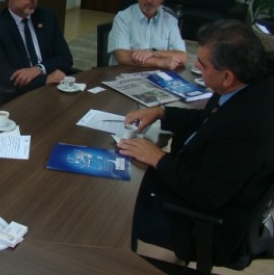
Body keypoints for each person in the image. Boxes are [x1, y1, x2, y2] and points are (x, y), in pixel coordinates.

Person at [117, 20, 274, 264]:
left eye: (202, 65)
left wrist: (158, 157)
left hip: (201, 223)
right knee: (124, 180)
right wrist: (162, 113)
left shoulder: (246, 127)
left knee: (115, 213)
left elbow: (205, 194)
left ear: (227, 76)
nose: (196, 67)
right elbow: (206, 118)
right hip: (192, 184)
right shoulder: (247, 85)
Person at [0, 0, 73, 112]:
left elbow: (65, 58)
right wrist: (45, 79)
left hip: (52, 94)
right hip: (15, 100)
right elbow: (2, 75)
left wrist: (38, 69)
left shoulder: (47, 17)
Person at [108, 0, 187, 69]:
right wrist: (159, 62)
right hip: (123, 74)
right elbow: (122, 57)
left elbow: (182, 57)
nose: (149, 0)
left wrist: (153, 52)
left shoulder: (170, 21)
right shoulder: (123, 18)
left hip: (156, 78)